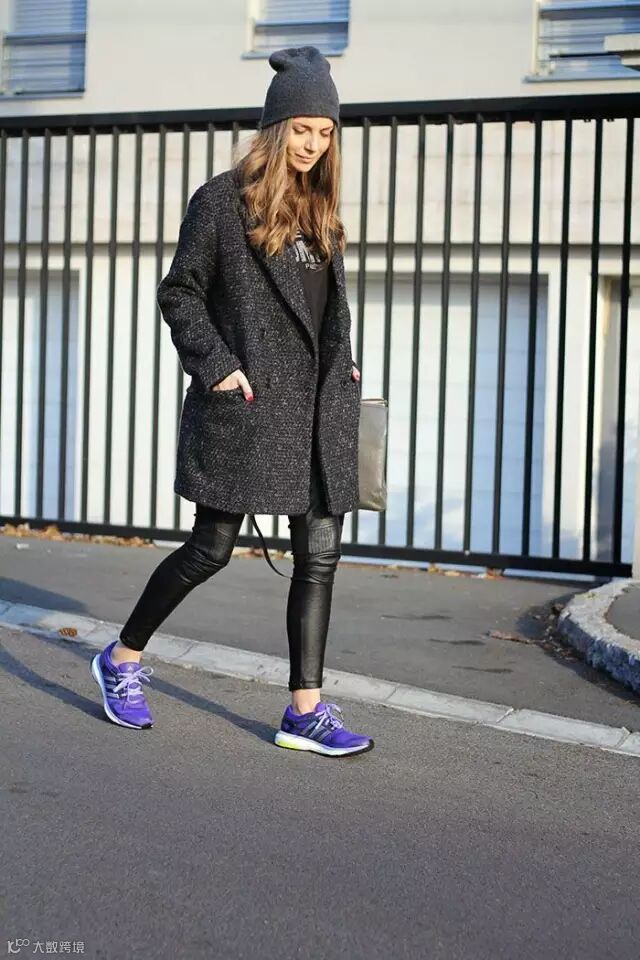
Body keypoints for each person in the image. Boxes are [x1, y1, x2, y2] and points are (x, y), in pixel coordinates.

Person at [90, 45, 374, 758]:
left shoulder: (321, 211)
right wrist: (217, 368)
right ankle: (121, 658)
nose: (313, 144)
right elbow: (180, 293)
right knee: (210, 549)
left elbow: (329, 312)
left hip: (317, 411)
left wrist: (345, 361)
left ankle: (304, 711)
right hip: (249, 407)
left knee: (319, 557)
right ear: (276, 128)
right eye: (303, 129)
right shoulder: (222, 201)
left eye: (326, 132)